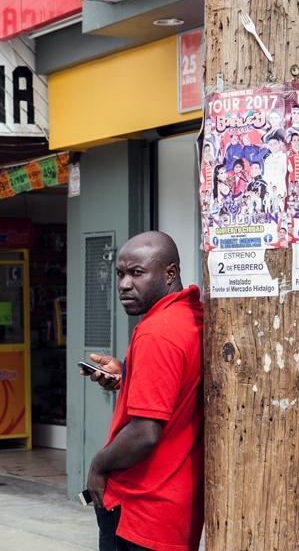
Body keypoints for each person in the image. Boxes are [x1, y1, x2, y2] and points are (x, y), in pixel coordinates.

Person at [80, 231, 204, 551]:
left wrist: (98, 466)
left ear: (170, 273)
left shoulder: (157, 333)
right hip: (175, 504)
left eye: (137, 273)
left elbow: (146, 433)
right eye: (120, 273)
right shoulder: (191, 315)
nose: (124, 284)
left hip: (142, 506)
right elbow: (182, 388)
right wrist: (129, 376)